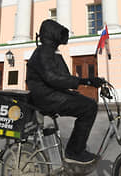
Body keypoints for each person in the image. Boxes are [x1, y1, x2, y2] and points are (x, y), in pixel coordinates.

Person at [26, 19, 104, 165]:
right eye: (58, 33)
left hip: (52, 93)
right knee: (89, 107)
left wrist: (89, 81)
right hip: (46, 97)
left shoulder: (52, 52)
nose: (61, 36)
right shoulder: (43, 52)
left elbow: (64, 77)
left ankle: (75, 150)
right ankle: (74, 152)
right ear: (50, 34)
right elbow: (53, 78)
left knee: (87, 103)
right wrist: (85, 81)